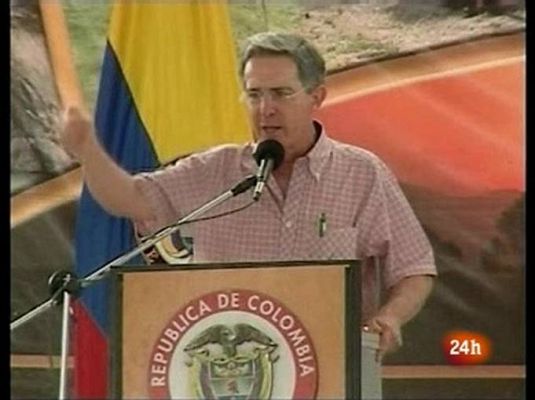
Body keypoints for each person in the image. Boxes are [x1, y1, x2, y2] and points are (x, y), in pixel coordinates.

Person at [61, 31, 436, 360]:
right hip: (233, 368)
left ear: (316, 96)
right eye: (254, 94)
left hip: (333, 366)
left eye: (281, 93)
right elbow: (128, 199)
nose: (266, 108)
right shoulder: (214, 172)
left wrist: (390, 317)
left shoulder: (361, 173)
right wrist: (89, 151)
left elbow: (414, 268)